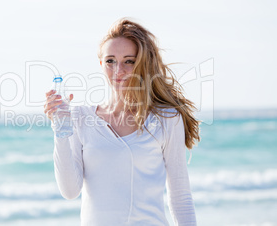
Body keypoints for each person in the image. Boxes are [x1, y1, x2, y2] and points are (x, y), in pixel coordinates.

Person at [43, 18, 200, 226]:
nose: (118, 71)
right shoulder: (81, 117)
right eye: (110, 61)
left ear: (143, 64)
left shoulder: (166, 118)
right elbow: (70, 191)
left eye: (129, 61)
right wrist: (60, 130)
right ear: (101, 64)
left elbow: (181, 197)